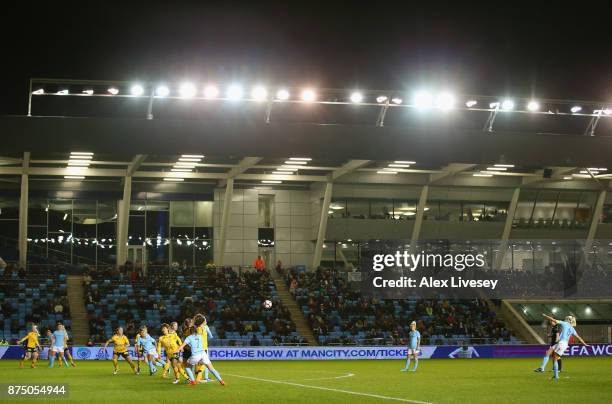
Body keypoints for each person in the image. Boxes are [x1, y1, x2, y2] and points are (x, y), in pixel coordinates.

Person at [534, 314, 589, 380]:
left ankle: (556, 376)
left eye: (567, 318)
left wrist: (545, 316)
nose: (565, 319)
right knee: (548, 352)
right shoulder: (572, 329)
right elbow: (579, 337)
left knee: (554, 359)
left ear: (568, 320)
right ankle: (542, 368)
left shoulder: (565, 323)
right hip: (560, 343)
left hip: (562, 343)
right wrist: (585, 344)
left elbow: (553, 320)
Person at [194, 313, 214, 383]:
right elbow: (211, 336)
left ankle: (201, 377)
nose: (206, 321)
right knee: (205, 363)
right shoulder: (204, 327)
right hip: (203, 348)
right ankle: (201, 378)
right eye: (205, 319)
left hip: (200, 348)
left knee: (200, 363)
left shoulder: (197, 327)